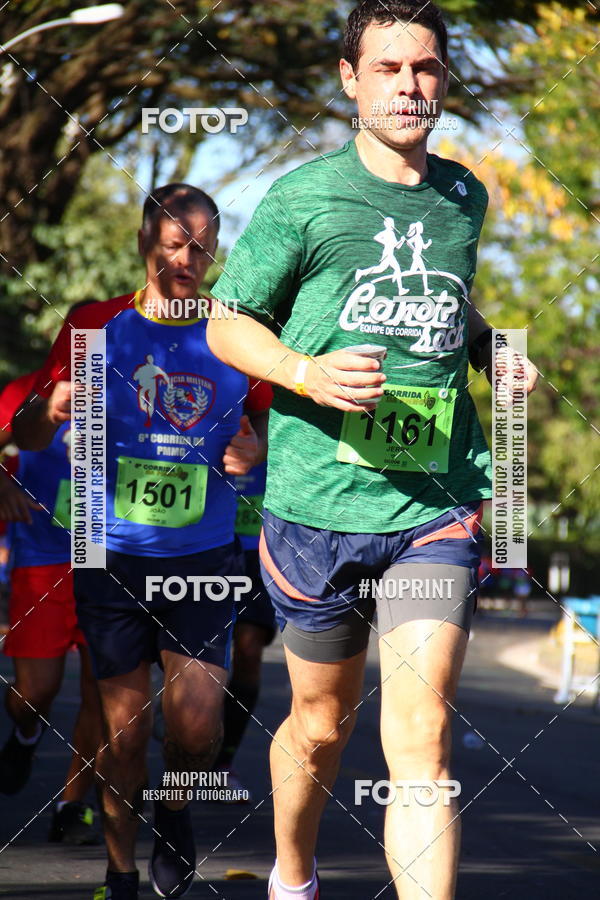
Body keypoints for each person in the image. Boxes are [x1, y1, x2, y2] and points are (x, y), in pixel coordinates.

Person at [206, 2, 537, 898]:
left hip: (433, 508)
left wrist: (491, 350)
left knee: (421, 737)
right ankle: (293, 874)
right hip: (316, 509)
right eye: (387, 69)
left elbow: (447, 302)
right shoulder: (304, 199)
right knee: (319, 725)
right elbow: (229, 323)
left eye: (424, 69)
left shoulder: (463, 195)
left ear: (443, 80)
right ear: (350, 79)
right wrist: (305, 373)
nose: (408, 86)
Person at [12, 183, 271, 900]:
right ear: (145, 243)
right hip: (108, 548)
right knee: (124, 737)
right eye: (175, 241)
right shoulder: (95, 327)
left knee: (195, 728)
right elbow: (30, 431)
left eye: (203, 242)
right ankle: (120, 874)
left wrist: (258, 455)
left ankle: (178, 806)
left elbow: (268, 433)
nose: (189, 256)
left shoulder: (235, 334)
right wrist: (45, 409)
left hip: (205, 554)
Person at [0, 364, 102, 845]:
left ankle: (72, 802)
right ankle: (26, 733)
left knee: (103, 693)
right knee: (33, 692)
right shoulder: (26, 390)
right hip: (43, 556)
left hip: (113, 557)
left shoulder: (145, 383)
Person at [212, 458, 276, 799]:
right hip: (205, 545)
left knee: (249, 652)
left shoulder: (275, 405)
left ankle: (223, 762)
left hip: (260, 552)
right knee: (194, 655)